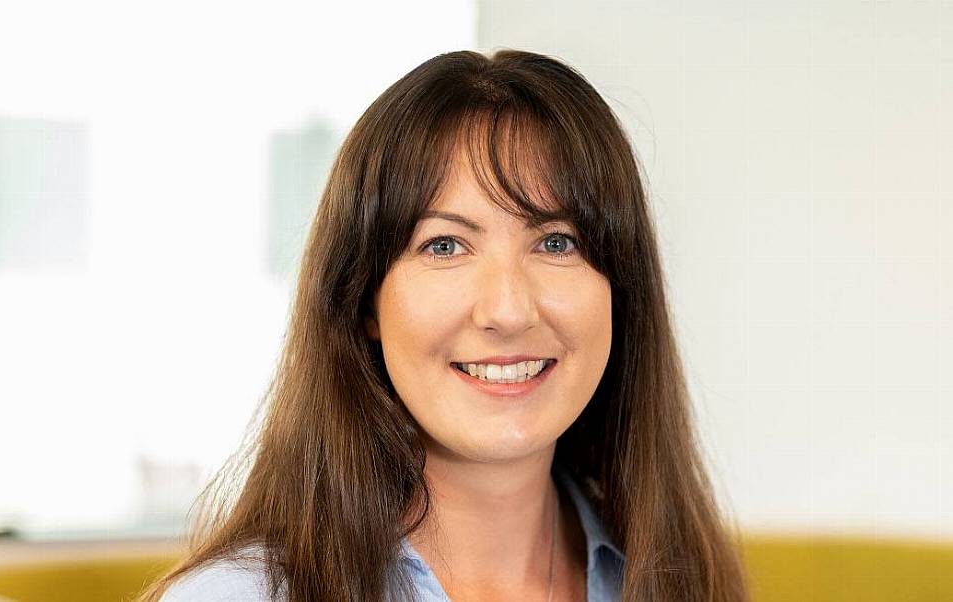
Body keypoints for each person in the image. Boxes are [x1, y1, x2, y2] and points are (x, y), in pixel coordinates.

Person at [139, 48, 750, 602]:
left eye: (557, 241)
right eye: (444, 246)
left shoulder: (683, 578)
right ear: (363, 304)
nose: (508, 311)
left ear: (622, 290)